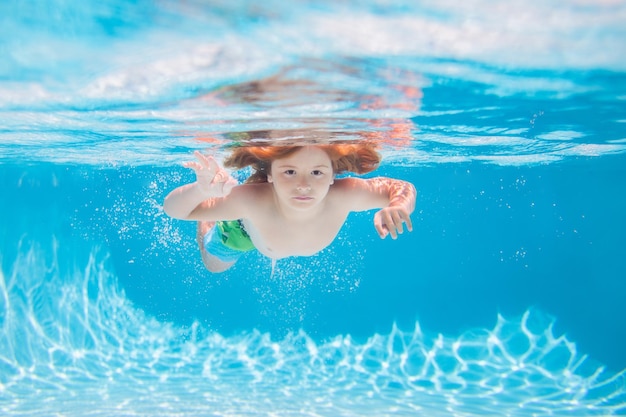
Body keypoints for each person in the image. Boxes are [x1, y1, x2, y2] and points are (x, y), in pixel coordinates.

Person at [163, 141, 417, 273]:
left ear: (332, 175)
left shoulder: (345, 194)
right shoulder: (253, 200)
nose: (303, 185)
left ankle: (222, 193)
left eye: (317, 172)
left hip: (265, 235)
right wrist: (201, 192)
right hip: (243, 229)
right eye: (290, 172)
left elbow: (400, 186)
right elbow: (175, 210)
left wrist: (399, 203)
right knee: (214, 266)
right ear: (270, 174)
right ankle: (220, 196)